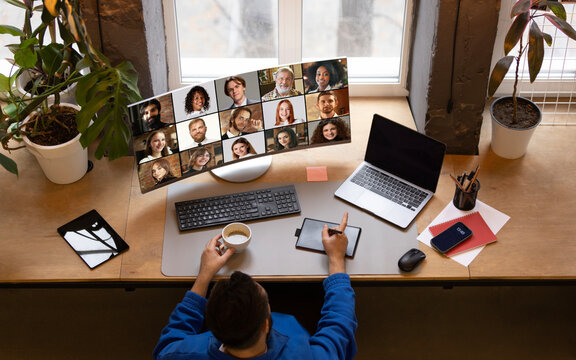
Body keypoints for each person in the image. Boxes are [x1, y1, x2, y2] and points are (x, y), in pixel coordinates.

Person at [153, 213, 357, 360]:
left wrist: (204, 274)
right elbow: (339, 326)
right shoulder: (306, 355)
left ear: (210, 327)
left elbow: (171, 339)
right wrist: (336, 259)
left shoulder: (179, 354)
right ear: (266, 325)